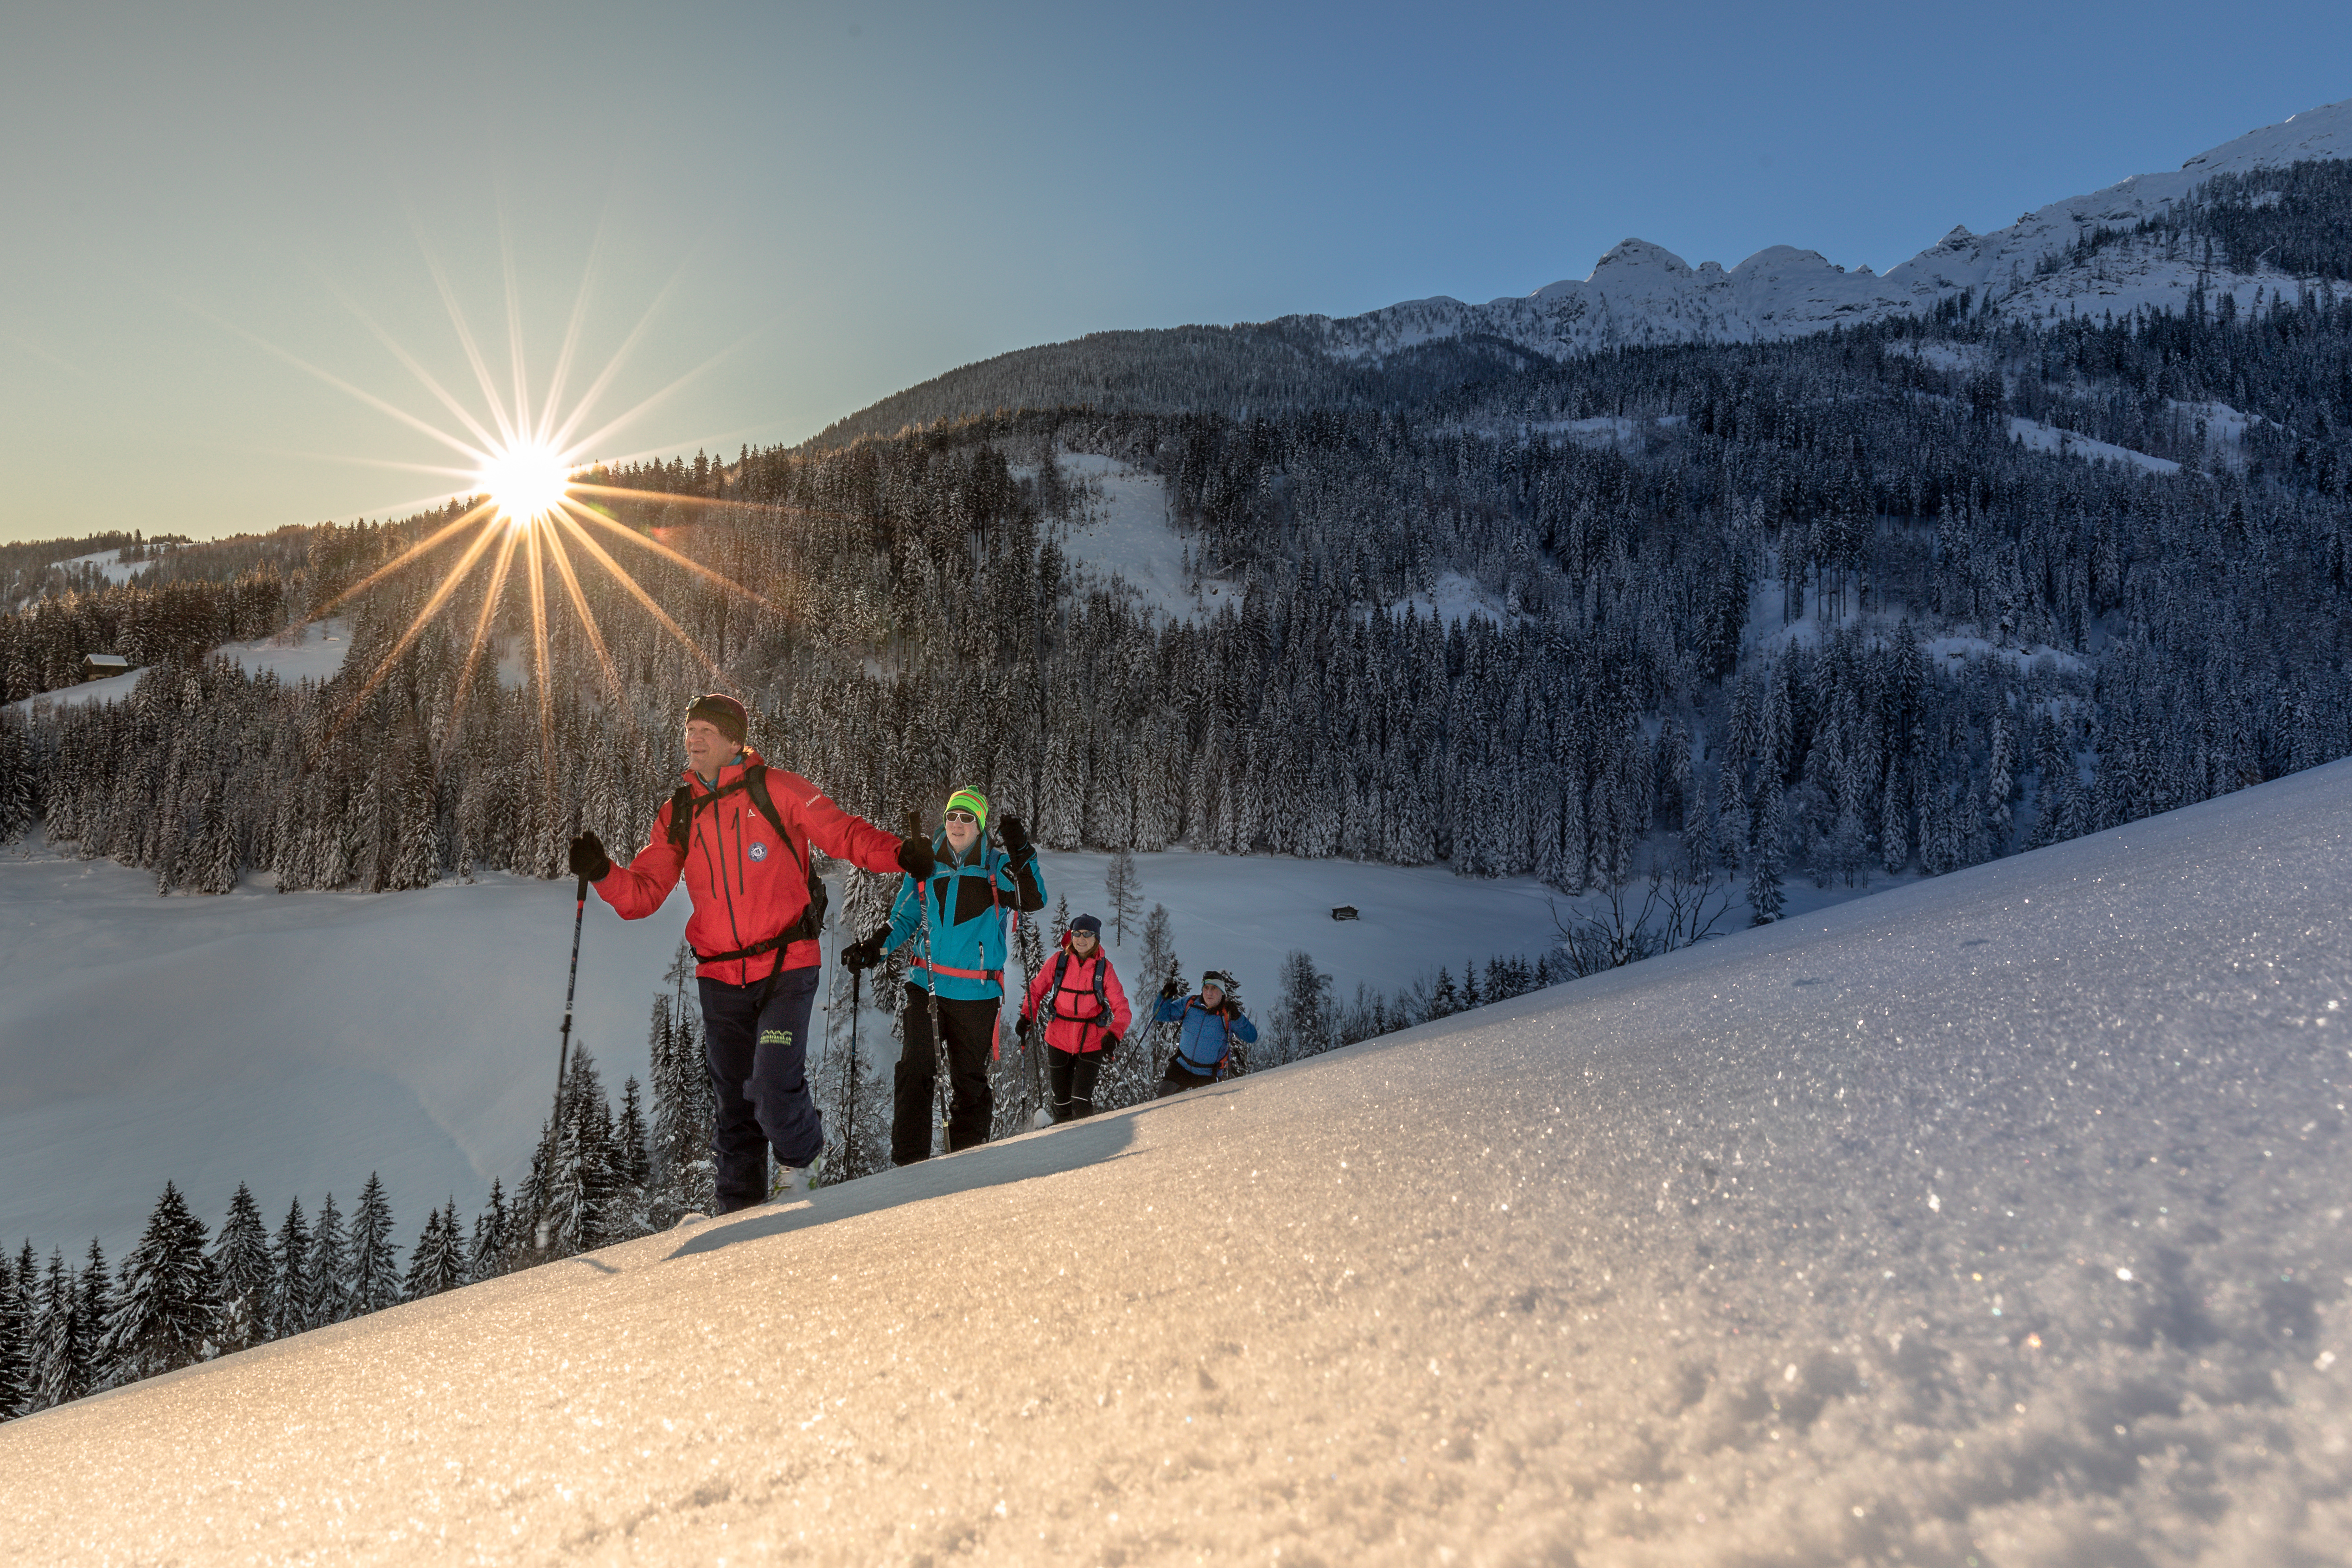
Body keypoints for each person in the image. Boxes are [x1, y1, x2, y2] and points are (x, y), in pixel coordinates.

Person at [567, 693, 930, 1213]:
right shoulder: (679, 812)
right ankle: (738, 1216)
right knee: (734, 1109)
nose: (694, 738)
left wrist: (899, 853)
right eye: (689, 728)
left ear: (735, 740)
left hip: (787, 965)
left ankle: (803, 1167)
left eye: (706, 731)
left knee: (772, 1086)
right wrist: (604, 872)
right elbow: (645, 892)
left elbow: (842, 832)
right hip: (719, 978)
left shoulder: (778, 790)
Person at [841, 788, 1045, 1163]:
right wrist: (875, 947)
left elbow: (1031, 899)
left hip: (977, 994)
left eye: (967, 818)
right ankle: (908, 1164)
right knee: (915, 1071)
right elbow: (905, 918)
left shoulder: (995, 866)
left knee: (969, 1083)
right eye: (953, 816)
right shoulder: (924, 865)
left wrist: (1022, 852)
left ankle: (966, 1166)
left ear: (980, 826)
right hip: (927, 987)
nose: (958, 824)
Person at [1017, 912, 1132, 1122]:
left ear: (1096, 938)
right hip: (1058, 1039)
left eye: (1087, 934)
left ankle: (1084, 1146)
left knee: (1081, 1102)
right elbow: (1035, 990)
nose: (1081, 939)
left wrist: (1114, 1035)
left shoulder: (1104, 969)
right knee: (1061, 1104)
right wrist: (1027, 1016)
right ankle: (1064, 1148)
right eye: (1077, 933)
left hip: (1092, 1042)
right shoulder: (1058, 962)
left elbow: (1123, 1008)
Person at [1153, 968, 1256, 1097]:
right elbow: (1160, 1015)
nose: (1209, 992)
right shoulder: (1190, 1004)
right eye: (1206, 988)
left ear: (1222, 992)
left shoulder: (1227, 1014)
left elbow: (1251, 1037)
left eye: (1214, 988)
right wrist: (1165, 997)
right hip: (1181, 1066)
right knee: (1162, 1098)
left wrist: (1238, 1019)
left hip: (1208, 1073)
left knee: (1204, 1113)